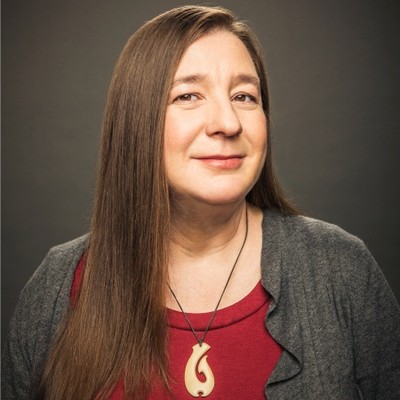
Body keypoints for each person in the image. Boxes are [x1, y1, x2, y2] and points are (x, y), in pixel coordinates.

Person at [2, 5, 400, 400]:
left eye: (244, 96)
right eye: (188, 95)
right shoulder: (57, 285)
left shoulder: (341, 269)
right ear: (136, 121)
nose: (227, 123)